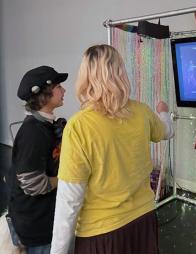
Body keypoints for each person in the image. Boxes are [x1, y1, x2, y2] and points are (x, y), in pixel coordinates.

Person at [50, 44, 174, 254]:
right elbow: (167, 132)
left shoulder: (79, 126)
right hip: (144, 222)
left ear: (85, 77)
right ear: (120, 73)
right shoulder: (142, 111)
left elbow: (68, 202)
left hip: (103, 234)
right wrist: (163, 112)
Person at [7, 66, 68, 254]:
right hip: (37, 226)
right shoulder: (33, 133)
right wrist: (67, 179)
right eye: (58, 86)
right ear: (44, 94)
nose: (64, 90)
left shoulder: (47, 126)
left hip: (44, 219)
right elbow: (33, 184)